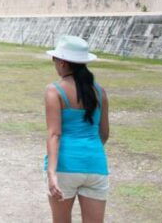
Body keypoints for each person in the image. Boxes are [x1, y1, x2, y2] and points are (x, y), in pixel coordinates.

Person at [44, 35, 110, 223]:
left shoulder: (54, 90)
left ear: (63, 62)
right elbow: (104, 133)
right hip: (95, 164)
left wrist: (51, 173)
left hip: (65, 165)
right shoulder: (99, 91)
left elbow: (54, 134)